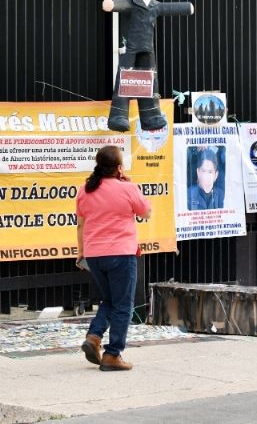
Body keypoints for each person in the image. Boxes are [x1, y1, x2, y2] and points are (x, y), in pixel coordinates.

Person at [103, 0, 194, 132]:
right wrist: (112, 3)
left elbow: (168, 8)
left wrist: (186, 7)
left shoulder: (153, 4)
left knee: (149, 80)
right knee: (125, 78)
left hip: (147, 48)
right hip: (131, 47)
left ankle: (151, 115)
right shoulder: (132, 1)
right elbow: (120, 4)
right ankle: (118, 114)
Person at [76, 145, 152, 372]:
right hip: (121, 253)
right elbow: (145, 212)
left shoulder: (85, 190)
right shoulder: (127, 188)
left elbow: (81, 224)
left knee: (109, 300)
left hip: (94, 254)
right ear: (119, 167)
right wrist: (128, 184)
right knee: (123, 305)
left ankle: (94, 337)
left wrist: (80, 253)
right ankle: (112, 354)